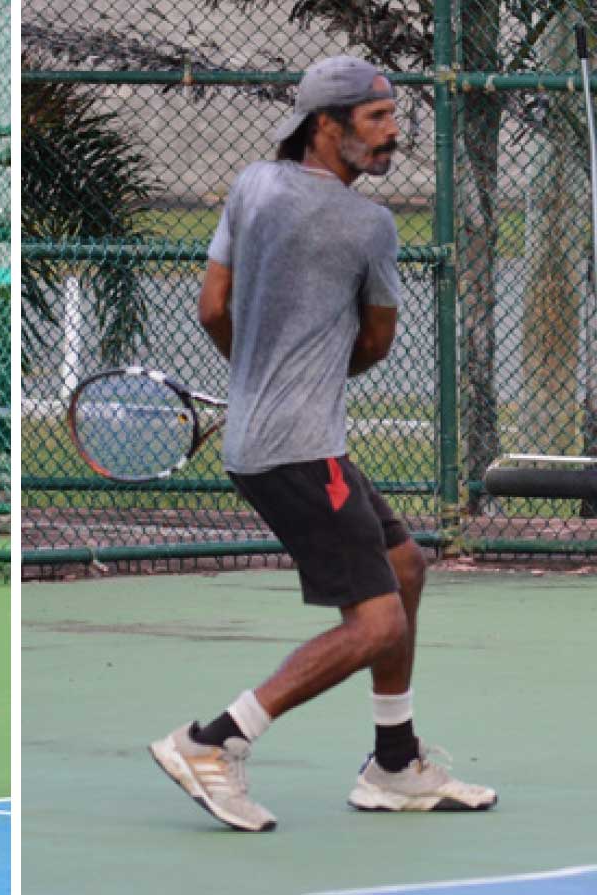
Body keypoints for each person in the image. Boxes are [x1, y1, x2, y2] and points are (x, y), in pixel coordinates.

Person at [148, 56, 497, 832]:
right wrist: (312, 374)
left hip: (267, 438)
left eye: (393, 119)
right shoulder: (370, 225)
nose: (393, 134)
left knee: (405, 566)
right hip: (300, 447)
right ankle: (214, 741)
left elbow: (212, 308)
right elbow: (376, 339)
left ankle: (395, 763)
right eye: (376, 121)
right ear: (326, 125)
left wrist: (261, 370)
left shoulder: (250, 186)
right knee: (375, 622)